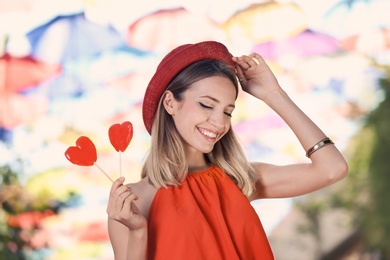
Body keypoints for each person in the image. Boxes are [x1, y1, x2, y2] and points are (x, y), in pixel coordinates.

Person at [106, 41, 348, 260]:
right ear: (170, 103)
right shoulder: (132, 202)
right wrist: (137, 231)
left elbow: (332, 169)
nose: (220, 122)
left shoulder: (240, 180)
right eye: (206, 105)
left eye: (227, 111)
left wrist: (274, 94)